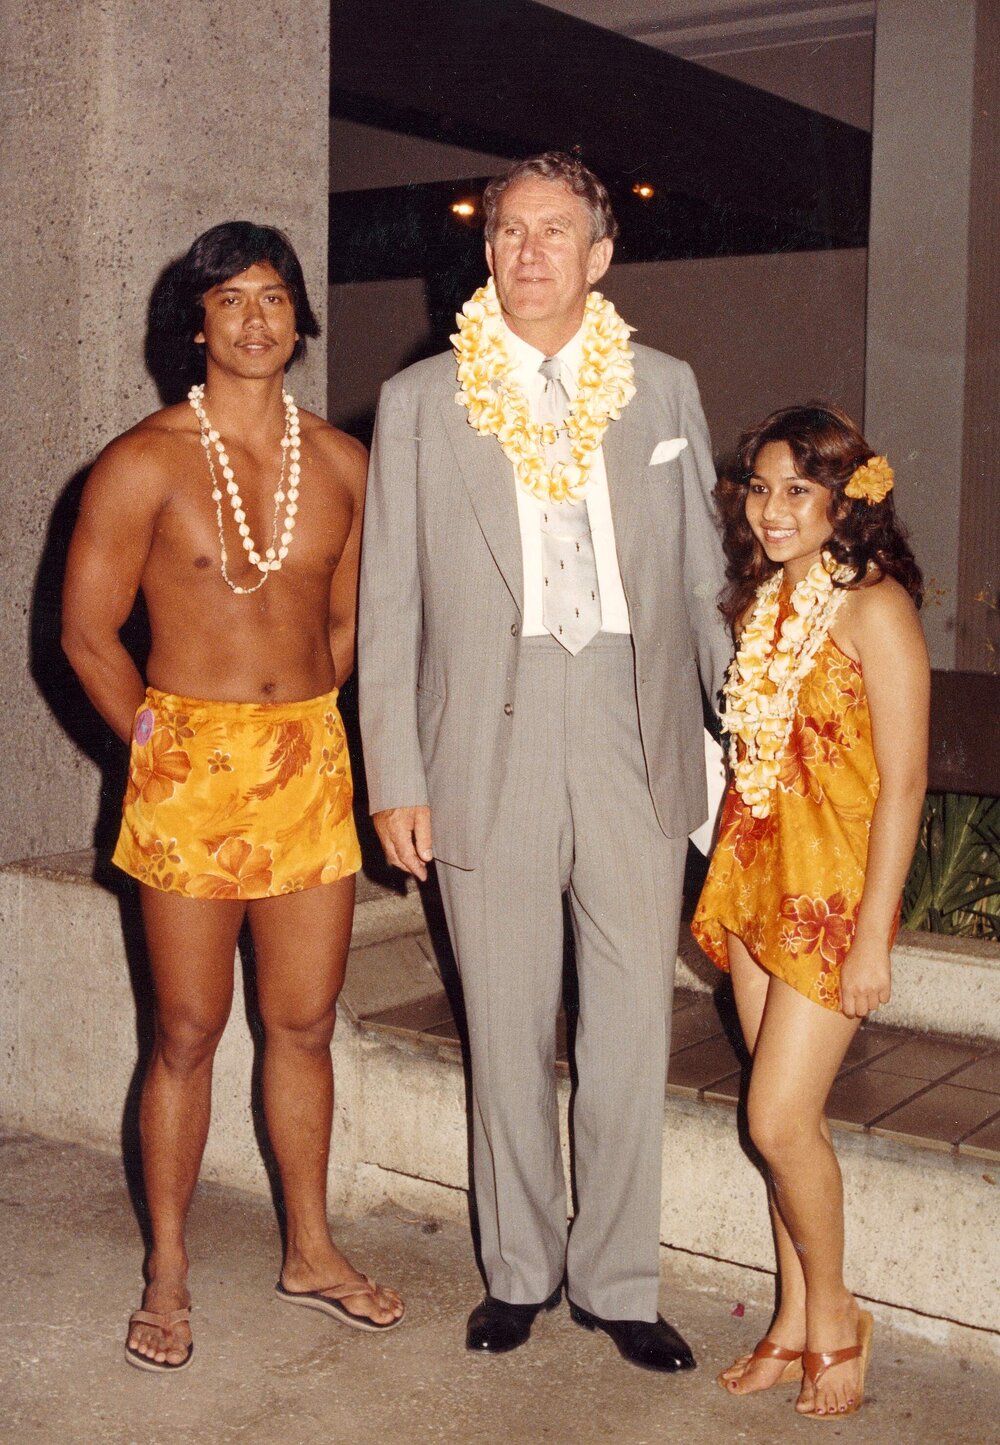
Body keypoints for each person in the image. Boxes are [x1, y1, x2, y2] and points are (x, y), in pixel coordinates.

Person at [358, 153, 730, 1371]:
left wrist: (747, 728)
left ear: (600, 255)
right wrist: (395, 773)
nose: (529, 251)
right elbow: (390, 605)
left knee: (629, 1022)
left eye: (555, 231)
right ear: (489, 250)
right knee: (505, 1023)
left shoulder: (665, 386)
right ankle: (517, 1268)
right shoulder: (420, 400)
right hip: (485, 736)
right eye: (510, 230)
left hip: (634, 725)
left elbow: (699, 579)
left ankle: (619, 1280)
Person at [62, 222, 403, 1373]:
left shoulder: (347, 463)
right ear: (195, 323)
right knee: (188, 1028)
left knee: (304, 1023)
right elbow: (86, 633)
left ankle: (309, 1246)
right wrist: (159, 743)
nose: (254, 319)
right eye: (229, 300)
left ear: (299, 320)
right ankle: (167, 1266)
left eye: (274, 298)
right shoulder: (142, 459)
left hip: (307, 765)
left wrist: (296, 722)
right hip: (186, 770)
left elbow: (351, 624)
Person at [692, 403, 929, 1419]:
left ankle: (837, 1316)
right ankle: (790, 1319)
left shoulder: (874, 606)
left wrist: (875, 932)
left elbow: (908, 781)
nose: (773, 510)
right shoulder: (762, 604)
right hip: (756, 872)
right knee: (782, 1125)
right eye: (760, 487)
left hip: (834, 890)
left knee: (777, 1117)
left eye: (797, 489)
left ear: (844, 499)